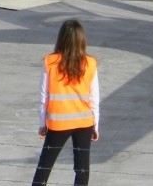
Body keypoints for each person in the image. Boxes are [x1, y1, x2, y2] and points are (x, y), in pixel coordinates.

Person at [32, 19, 100, 186]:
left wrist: (43, 123)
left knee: (44, 169)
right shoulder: (90, 63)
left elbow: (44, 96)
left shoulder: (51, 62)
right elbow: (94, 98)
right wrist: (95, 125)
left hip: (58, 123)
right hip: (84, 123)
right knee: (82, 170)